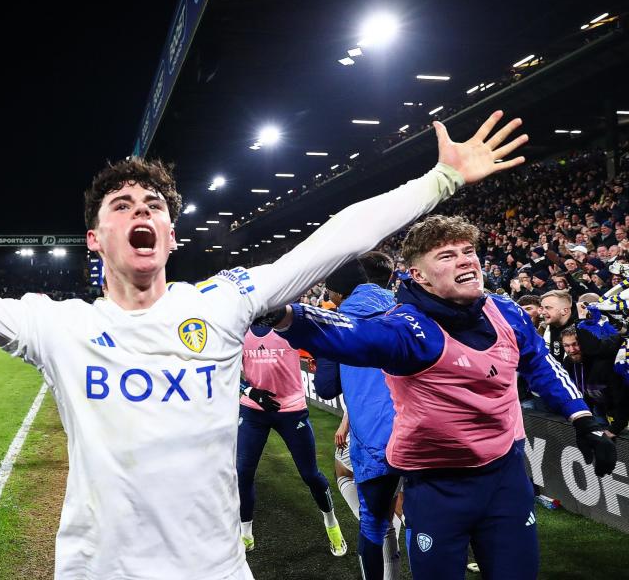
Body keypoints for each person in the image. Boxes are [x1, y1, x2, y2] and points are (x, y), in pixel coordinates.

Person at [0, 112, 526, 580]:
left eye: (154, 203)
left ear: (170, 231)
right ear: (95, 238)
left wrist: (439, 181)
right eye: (122, 202)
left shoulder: (228, 303)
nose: (141, 208)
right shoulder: (60, 327)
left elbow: (330, 241)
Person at [258, 215, 617, 579]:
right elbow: (351, 334)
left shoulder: (505, 311)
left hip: (505, 475)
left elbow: (540, 362)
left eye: (469, 251)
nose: (465, 260)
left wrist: (582, 417)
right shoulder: (408, 328)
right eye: (446, 256)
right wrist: (285, 315)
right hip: (436, 483)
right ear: (419, 276)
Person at [312, 256, 403, 580]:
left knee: (374, 524)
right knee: (427, 525)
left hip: (376, 441)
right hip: (423, 434)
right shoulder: (410, 308)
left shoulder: (333, 323)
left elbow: (325, 387)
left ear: (337, 293)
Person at [237, 321, 346, 557]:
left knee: (310, 475)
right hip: (253, 410)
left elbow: (324, 347)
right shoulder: (239, 329)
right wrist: (250, 391)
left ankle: (331, 524)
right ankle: (246, 535)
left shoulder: (288, 325)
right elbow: (225, 370)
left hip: (291, 410)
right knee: (243, 472)